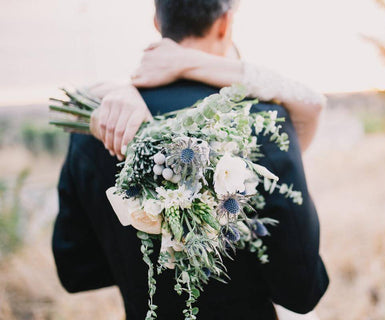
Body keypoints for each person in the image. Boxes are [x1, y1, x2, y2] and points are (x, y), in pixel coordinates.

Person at [52, 1, 329, 319]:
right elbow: (301, 290)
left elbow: (77, 270)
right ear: (225, 24)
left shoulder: (97, 126)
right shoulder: (263, 120)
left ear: (157, 21)